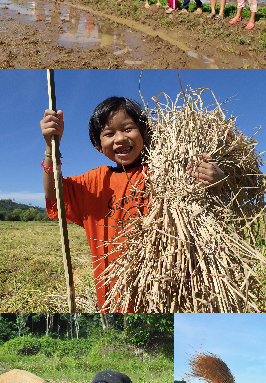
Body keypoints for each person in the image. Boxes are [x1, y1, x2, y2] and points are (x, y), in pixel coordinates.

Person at [40, 94, 227, 312]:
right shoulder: (95, 183)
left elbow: (208, 205)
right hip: (113, 299)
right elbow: (55, 195)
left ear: (144, 132)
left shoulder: (166, 172)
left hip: (166, 295)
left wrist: (216, 180)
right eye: (109, 133)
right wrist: (51, 147)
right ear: (98, 145)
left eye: (128, 129)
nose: (119, 138)